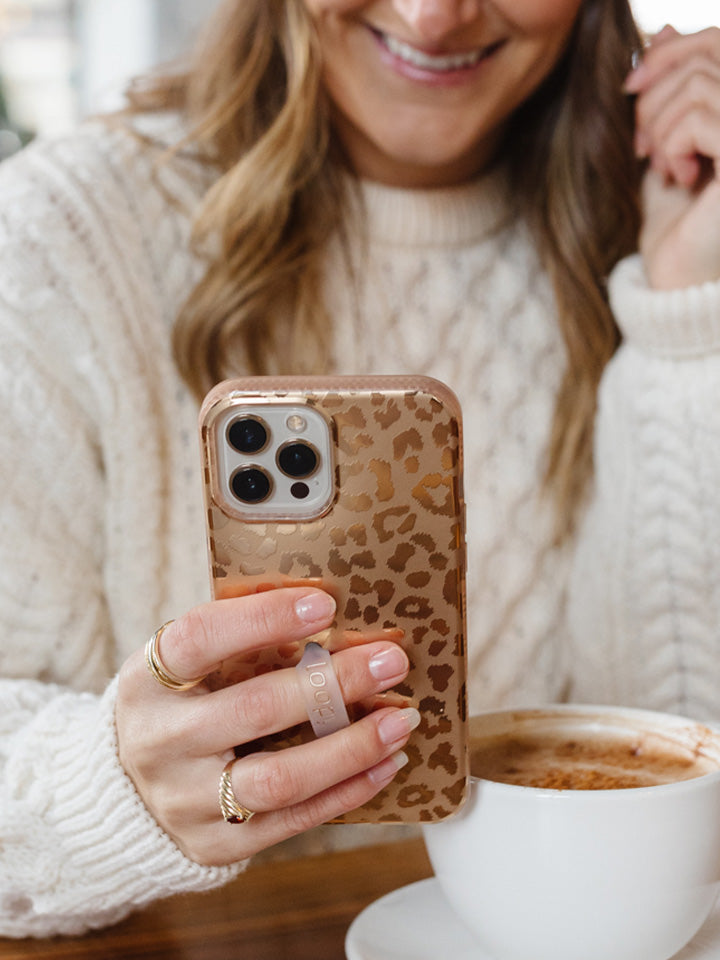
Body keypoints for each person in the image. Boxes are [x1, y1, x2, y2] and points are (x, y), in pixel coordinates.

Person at [1, 0, 719, 939]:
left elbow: (671, 754)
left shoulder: (663, 216)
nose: (435, 15)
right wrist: (110, 792)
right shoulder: (60, 239)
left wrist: (682, 315)